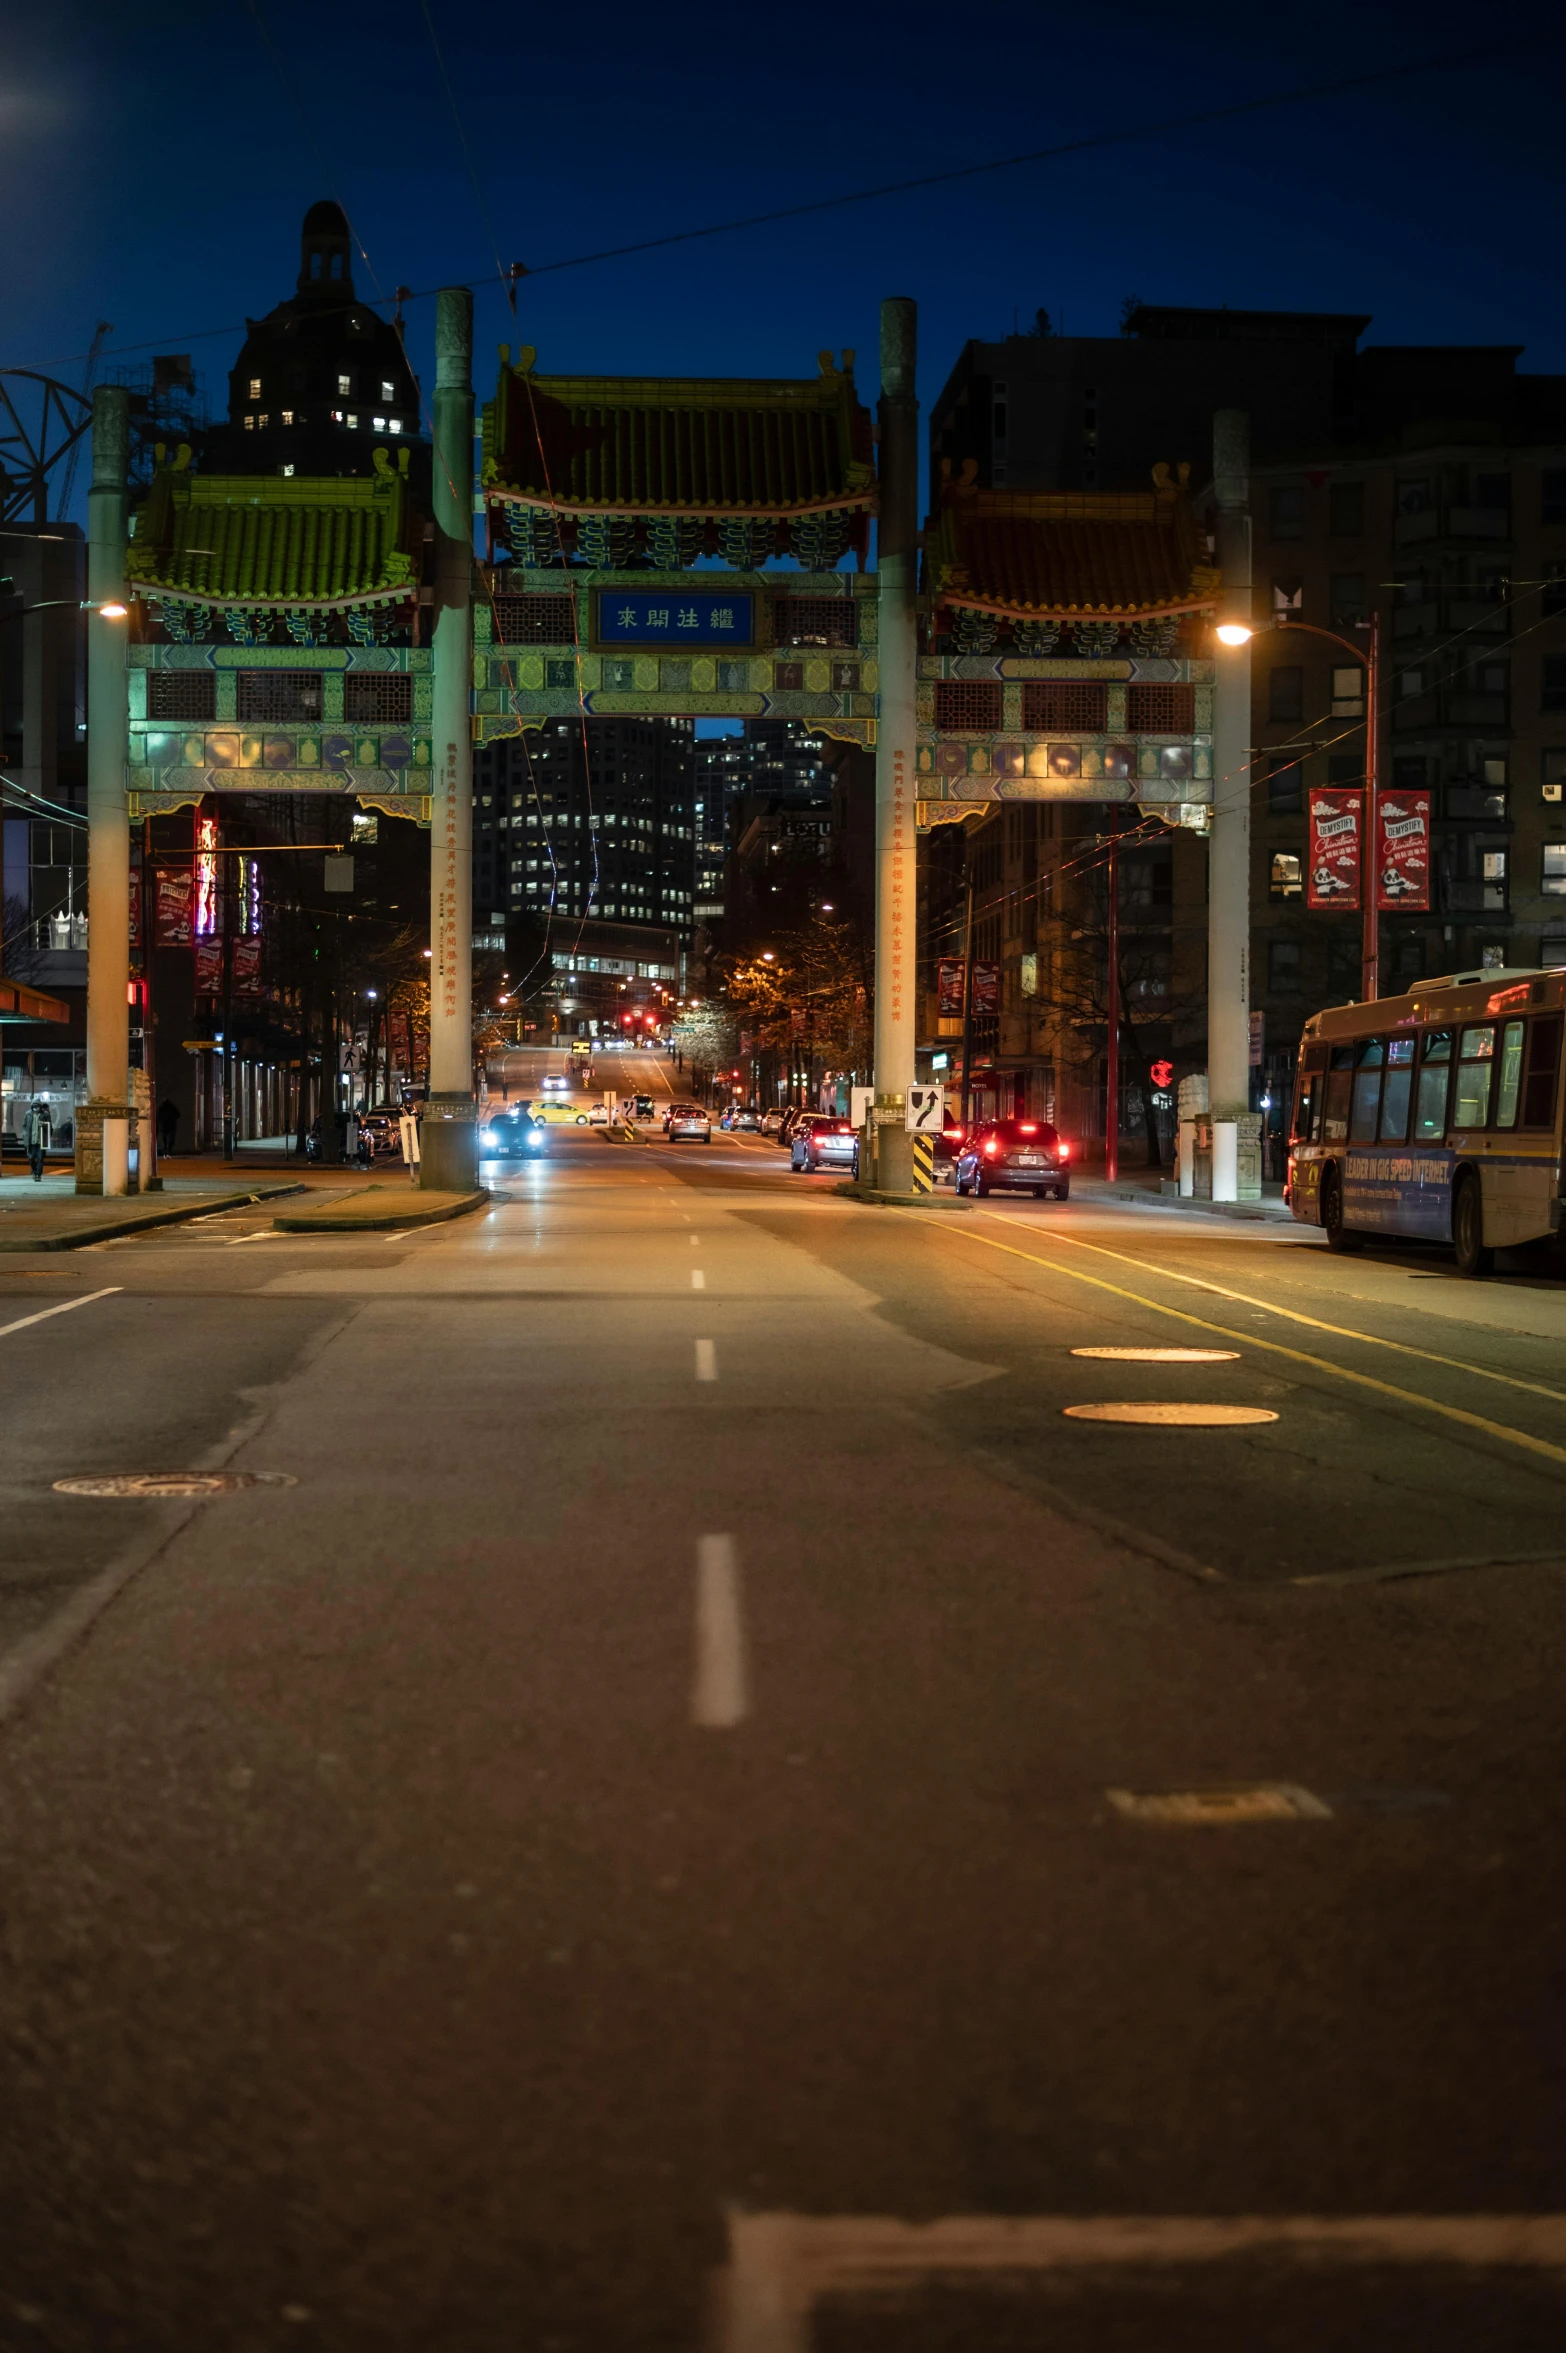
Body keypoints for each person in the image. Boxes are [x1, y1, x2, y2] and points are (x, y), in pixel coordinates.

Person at [23, 1097, 53, 1182]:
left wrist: (48, 1137)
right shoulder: (28, 1114)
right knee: (31, 1158)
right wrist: (25, 1135)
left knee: (40, 1158)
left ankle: (38, 1175)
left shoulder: (45, 1114)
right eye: (34, 1106)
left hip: (41, 1141)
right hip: (31, 1140)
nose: (36, 1108)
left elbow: (49, 1126)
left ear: (40, 1106)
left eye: (37, 1106)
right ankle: (35, 1171)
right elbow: (24, 1126)